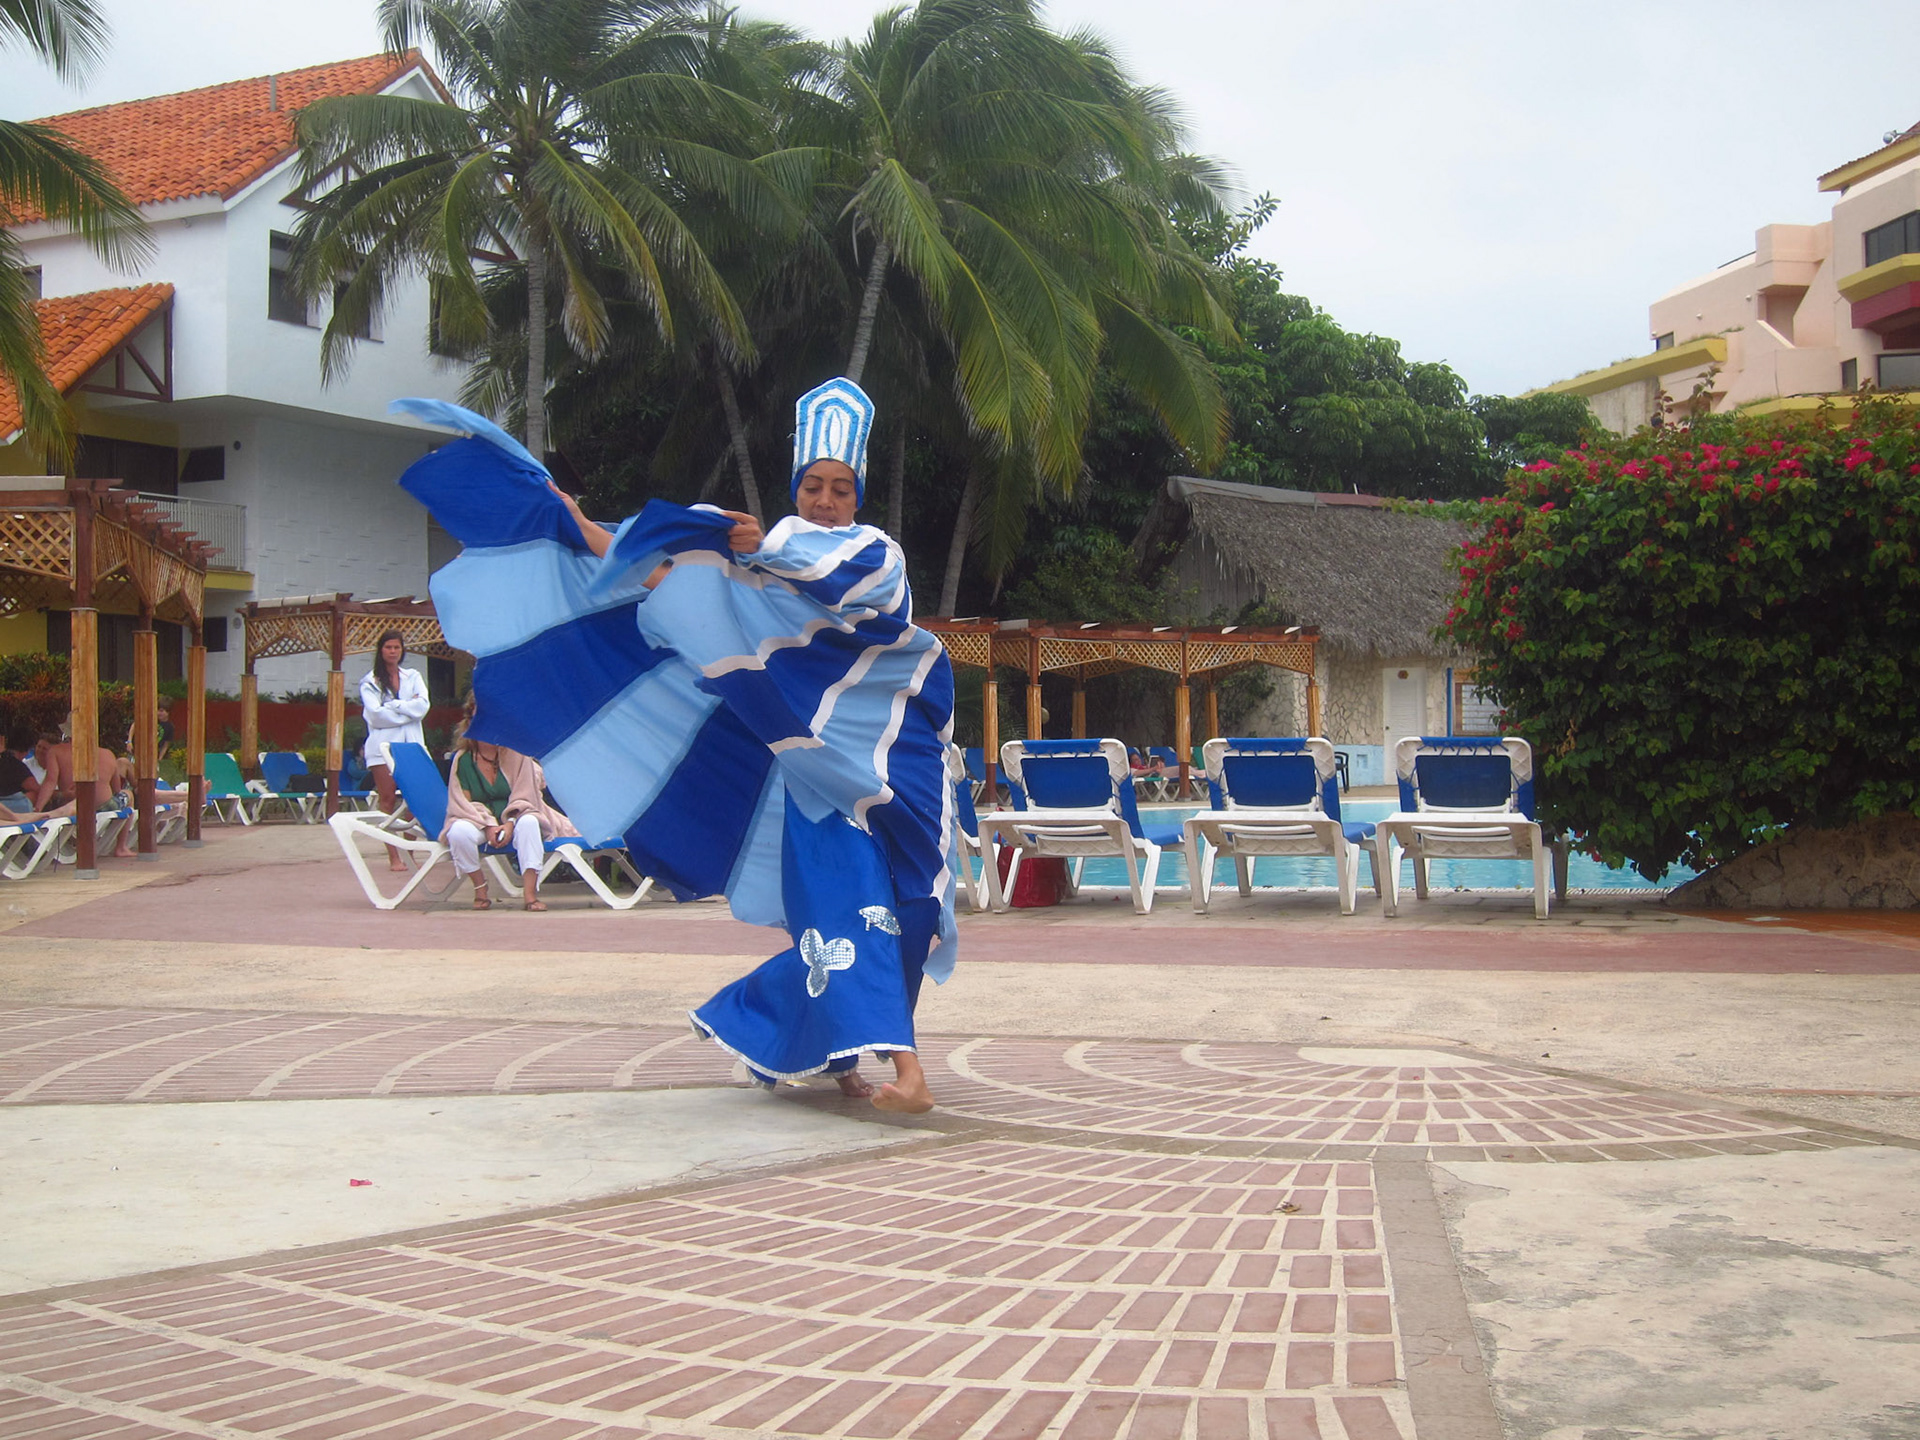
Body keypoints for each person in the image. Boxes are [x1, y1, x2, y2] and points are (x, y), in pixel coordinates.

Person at [394, 381, 957, 1114]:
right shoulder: (753, 572)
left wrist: (768, 543)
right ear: (798, 489)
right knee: (847, 905)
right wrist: (582, 527)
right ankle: (907, 1071)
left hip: (895, 769)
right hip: (814, 781)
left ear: (856, 499)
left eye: (840, 489)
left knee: (911, 908)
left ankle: (799, 1035)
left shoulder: (874, 556)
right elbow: (656, 577)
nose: (824, 500)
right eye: (812, 487)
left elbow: (839, 572)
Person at [442, 721, 577, 911]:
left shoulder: (518, 756)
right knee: (457, 832)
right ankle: (480, 888)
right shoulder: (463, 761)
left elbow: (527, 797)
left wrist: (510, 823)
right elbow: (463, 804)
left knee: (529, 822)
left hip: (517, 818)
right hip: (480, 822)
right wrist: (488, 826)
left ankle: (530, 894)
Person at [359, 630, 431, 873]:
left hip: (411, 747)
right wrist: (407, 713)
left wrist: (397, 706)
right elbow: (376, 716)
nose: (393, 651)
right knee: (388, 799)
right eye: (388, 647)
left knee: (414, 800)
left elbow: (422, 706)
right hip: (382, 747)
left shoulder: (413, 676)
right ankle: (393, 857)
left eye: (397, 647)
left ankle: (409, 852)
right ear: (381, 650)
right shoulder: (370, 681)